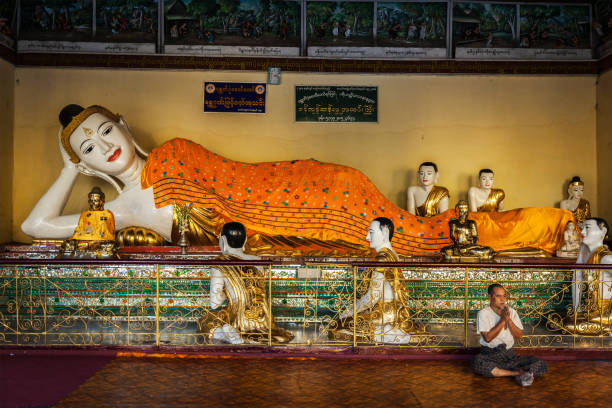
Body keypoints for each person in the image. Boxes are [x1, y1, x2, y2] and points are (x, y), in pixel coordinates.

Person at [21, 104, 574, 257]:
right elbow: (36, 224)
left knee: (411, 235)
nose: (103, 145)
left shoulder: (173, 155)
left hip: (309, 190)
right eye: (89, 148)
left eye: (103, 130)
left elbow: (234, 186)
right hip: (283, 229)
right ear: (88, 165)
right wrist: (70, 169)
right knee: (407, 237)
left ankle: (539, 226)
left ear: (122, 123)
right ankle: (537, 225)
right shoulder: (123, 214)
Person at [328, 217, 421, 343]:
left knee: (337, 326)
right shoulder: (392, 254)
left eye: (371, 233)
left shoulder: (382, 259)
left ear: (385, 233)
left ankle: (381, 334)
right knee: (346, 323)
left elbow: (372, 297)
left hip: (384, 315)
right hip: (393, 312)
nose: (367, 237)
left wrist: (347, 312)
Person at [198, 222, 293, 344]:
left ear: (223, 240)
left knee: (206, 320)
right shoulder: (257, 261)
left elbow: (214, 303)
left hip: (238, 318)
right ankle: (236, 334)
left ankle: (225, 335)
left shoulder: (220, 263)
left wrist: (225, 294)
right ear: (245, 240)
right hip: (262, 319)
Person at [472, 284, 547, 386]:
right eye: (498, 296)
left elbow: (519, 336)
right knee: (478, 362)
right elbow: (487, 338)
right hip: (490, 354)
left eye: (504, 296)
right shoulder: (483, 313)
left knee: (539, 362)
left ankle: (504, 372)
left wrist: (509, 320)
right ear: (489, 297)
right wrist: (503, 321)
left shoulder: (511, 312)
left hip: (509, 355)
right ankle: (517, 373)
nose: (502, 299)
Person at [565, 218, 612, 335]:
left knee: (569, 326)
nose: (582, 232)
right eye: (582, 228)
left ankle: (608, 329)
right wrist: (577, 310)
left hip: (605, 314)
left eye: (588, 228)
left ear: (603, 231)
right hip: (590, 312)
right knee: (567, 322)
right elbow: (577, 275)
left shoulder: (606, 258)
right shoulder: (586, 252)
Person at [59, 186, 117, 259]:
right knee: (68, 244)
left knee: (108, 245)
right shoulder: (84, 214)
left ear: (102, 201)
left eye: (96, 201)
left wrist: (94, 241)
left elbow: (110, 233)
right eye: (91, 201)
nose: (93, 203)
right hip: (84, 240)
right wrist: (79, 238)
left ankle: (88, 247)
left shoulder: (107, 214)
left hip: (100, 241)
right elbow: (79, 230)